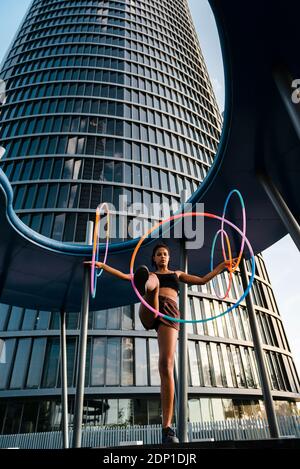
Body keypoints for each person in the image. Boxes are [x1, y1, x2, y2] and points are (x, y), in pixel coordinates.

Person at [85, 243, 237, 444]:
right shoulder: (154, 272)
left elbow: (202, 280)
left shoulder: (177, 274)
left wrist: (221, 266)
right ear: (154, 259)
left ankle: (166, 428)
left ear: (169, 257)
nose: (163, 256)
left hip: (169, 313)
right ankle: (145, 284)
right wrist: (101, 266)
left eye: (165, 254)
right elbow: (123, 275)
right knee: (153, 280)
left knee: (166, 365)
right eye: (159, 254)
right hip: (150, 308)